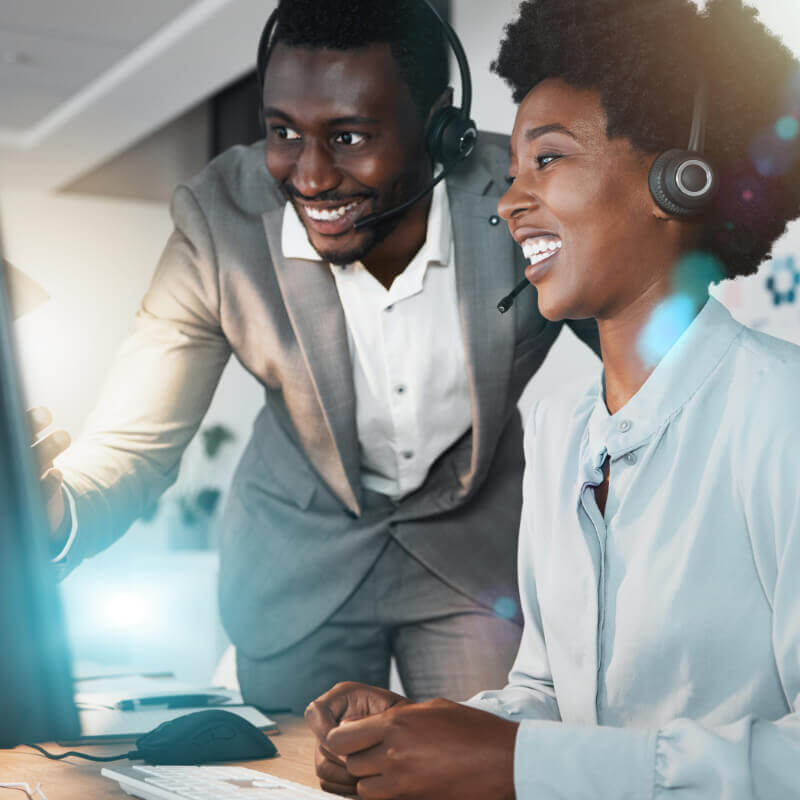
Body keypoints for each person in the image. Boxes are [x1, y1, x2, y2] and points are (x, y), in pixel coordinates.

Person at [36, 0, 599, 712]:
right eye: (282, 132)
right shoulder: (220, 220)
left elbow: (644, 356)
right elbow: (133, 442)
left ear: (438, 123)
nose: (309, 175)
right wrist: (53, 512)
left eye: (349, 135)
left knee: (483, 767)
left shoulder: (518, 198)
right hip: (297, 557)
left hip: (472, 560)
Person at [304, 0, 800, 796]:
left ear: (676, 181)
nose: (507, 202)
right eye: (510, 176)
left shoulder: (782, 413)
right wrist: (422, 730)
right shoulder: (563, 429)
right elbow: (553, 697)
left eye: (549, 161)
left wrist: (515, 764)